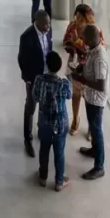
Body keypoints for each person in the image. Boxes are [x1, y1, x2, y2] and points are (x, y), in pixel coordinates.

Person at [62, 4, 105, 136]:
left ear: (88, 18)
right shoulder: (72, 26)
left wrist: (78, 42)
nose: (78, 20)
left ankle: (91, 126)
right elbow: (65, 42)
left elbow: (98, 49)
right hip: (75, 65)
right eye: (77, 17)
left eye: (81, 18)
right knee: (75, 95)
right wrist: (71, 47)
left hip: (89, 68)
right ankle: (75, 119)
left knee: (89, 98)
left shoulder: (95, 30)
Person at [33, 50, 73, 191]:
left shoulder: (39, 80)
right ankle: (59, 181)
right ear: (60, 66)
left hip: (44, 123)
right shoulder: (64, 84)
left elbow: (36, 98)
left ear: (46, 65)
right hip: (60, 124)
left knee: (44, 150)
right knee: (59, 152)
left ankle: (43, 177)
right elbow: (69, 96)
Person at [75, 23, 109, 179]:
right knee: (92, 126)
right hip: (90, 96)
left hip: (96, 99)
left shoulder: (100, 58)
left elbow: (101, 85)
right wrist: (82, 68)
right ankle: (94, 150)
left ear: (91, 38)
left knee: (96, 129)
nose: (83, 40)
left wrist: (82, 79)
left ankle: (99, 166)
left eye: (84, 38)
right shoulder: (93, 50)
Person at [17, 9, 52, 157]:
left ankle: (41, 130)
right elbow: (22, 59)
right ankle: (28, 138)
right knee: (31, 106)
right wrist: (28, 79)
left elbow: (48, 51)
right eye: (46, 24)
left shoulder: (48, 32)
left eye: (49, 23)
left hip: (46, 76)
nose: (49, 27)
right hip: (34, 78)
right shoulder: (27, 36)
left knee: (44, 105)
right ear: (37, 22)